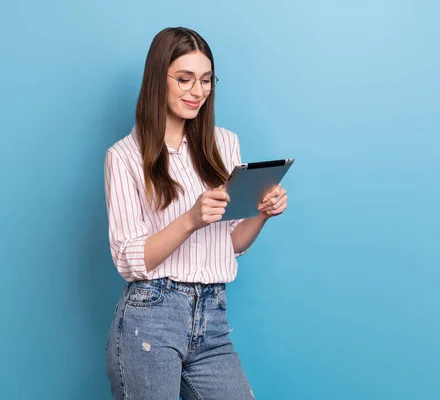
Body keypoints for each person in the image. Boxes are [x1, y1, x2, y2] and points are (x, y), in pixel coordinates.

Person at [103, 27, 288, 400]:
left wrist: (262, 214)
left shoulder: (224, 144)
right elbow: (128, 260)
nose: (198, 91)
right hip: (150, 319)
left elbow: (230, 243)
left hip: (213, 317)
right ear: (158, 80)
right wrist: (189, 219)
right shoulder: (124, 157)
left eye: (206, 80)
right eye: (185, 79)